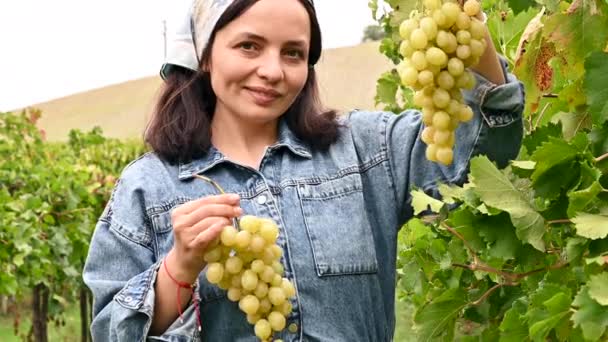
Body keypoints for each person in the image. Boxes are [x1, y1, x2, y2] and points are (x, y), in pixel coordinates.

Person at [83, 0, 525, 340]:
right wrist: (178, 269)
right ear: (205, 54)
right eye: (248, 46)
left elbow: (486, 144)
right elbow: (110, 330)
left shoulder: (365, 148)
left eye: (293, 53)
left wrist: (465, 19)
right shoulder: (147, 187)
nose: (272, 71)